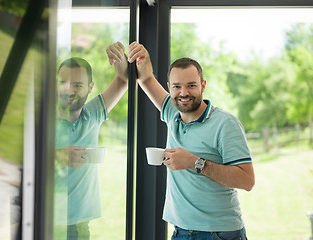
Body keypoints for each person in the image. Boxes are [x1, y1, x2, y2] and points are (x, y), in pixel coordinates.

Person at [127, 41, 255, 240]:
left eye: (191, 86)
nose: (184, 93)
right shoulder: (172, 112)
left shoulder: (225, 124)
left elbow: (247, 181)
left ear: (203, 86)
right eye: (177, 87)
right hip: (180, 232)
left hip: (219, 234)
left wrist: (195, 162)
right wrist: (141, 55)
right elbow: (145, 78)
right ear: (169, 88)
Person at [54, 41, 128, 240]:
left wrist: (118, 56)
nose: (69, 91)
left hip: (79, 226)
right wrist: (55, 156)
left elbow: (123, 80)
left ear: (90, 87)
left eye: (77, 85)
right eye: (63, 83)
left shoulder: (93, 113)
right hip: (45, 221)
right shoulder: (42, 120)